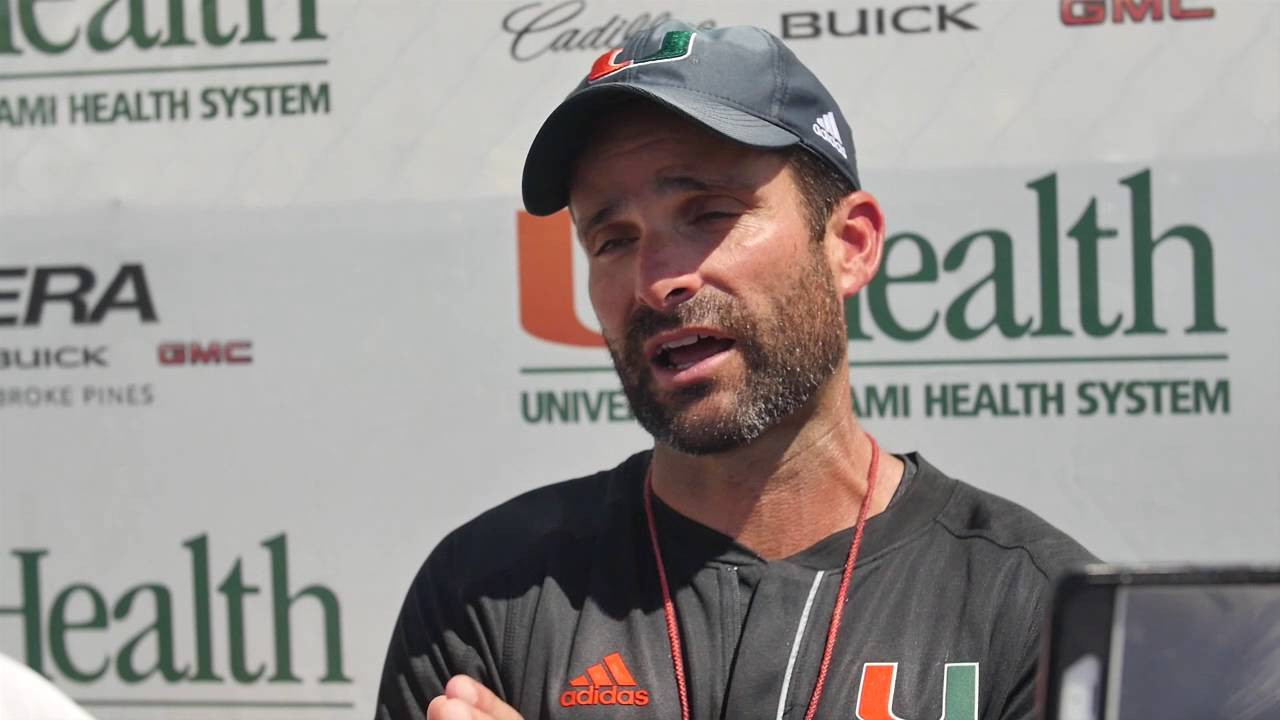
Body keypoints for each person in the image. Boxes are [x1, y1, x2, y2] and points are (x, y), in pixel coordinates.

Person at [376, 20, 1095, 720]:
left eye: (708, 214)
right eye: (613, 239)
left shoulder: (1032, 603)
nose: (657, 282)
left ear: (849, 243)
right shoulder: (487, 589)